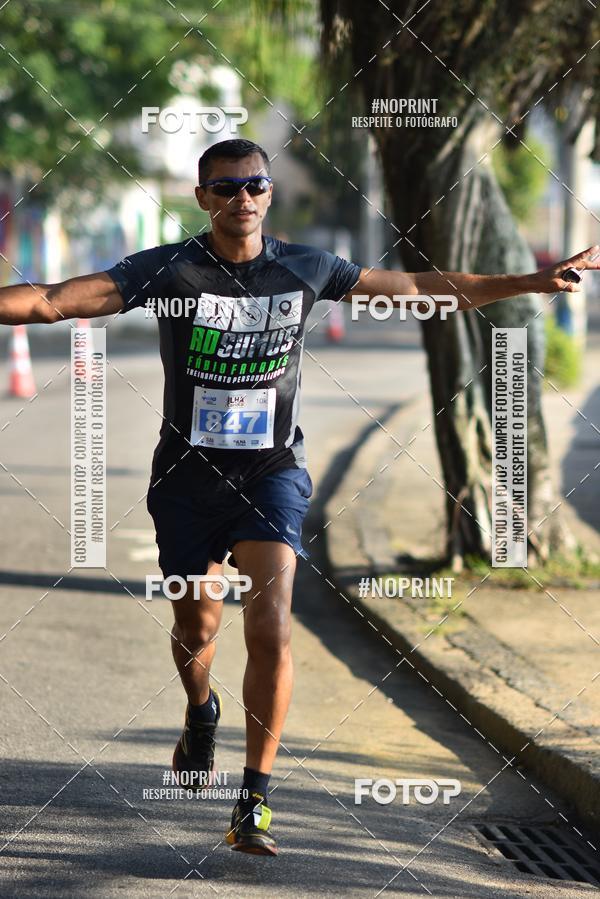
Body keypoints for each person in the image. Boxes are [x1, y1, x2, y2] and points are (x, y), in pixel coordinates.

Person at [1, 137, 598, 856]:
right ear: (203, 199)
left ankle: (254, 797)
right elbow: (49, 301)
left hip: (271, 474)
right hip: (186, 483)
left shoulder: (305, 267)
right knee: (196, 631)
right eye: (225, 188)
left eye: (253, 185)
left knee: (272, 626)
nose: (241, 199)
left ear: (269, 193)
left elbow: (417, 290)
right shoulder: (168, 270)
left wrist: (531, 282)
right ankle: (201, 710)